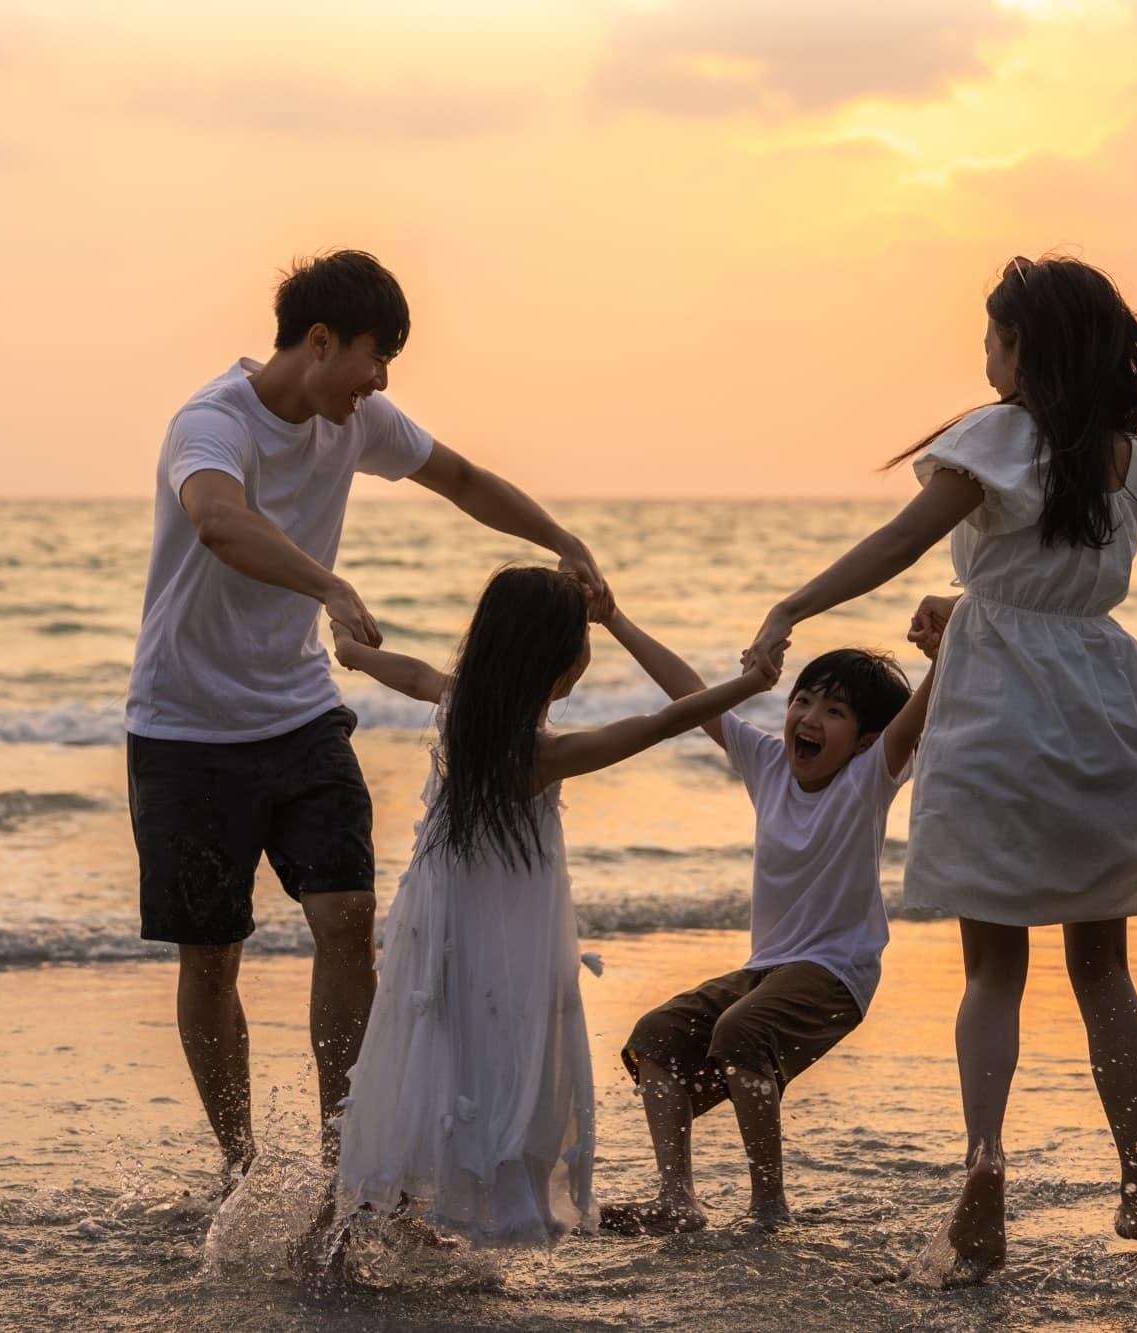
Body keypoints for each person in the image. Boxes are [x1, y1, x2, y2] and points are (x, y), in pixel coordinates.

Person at [743, 254, 1137, 1279]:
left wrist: (791, 606)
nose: (982, 353)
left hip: (997, 715)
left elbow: (900, 537)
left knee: (993, 967)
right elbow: (1048, 583)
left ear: (1026, 347)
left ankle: (983, 1166)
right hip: (1105, 707)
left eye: (992, 335)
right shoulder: (1121, 457)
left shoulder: (995, 438)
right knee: (1100, 963)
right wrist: (971, 609)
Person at [125, 250, 611, 1188]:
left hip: (303, 710)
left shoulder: (359, 423)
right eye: (373, 357)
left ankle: (345, 1163)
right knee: (212, 957)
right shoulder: (209, 424)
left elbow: (463, 478)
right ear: (318, 342)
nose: (381, 381)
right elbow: (219, 521)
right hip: (185, 726)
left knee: (347, 919)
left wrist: (560, 538)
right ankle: (240, 1168)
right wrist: (328, 583)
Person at [322, 567, 783, 1248]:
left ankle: (378, 1207)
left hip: (431, 933)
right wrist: (752, 684)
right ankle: (445, 1200)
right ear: (562, 660)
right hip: (495, 945)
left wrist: (353, 652)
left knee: (427, 1049)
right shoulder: (542, 753)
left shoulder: (460, 713)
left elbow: (412, 672)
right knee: (489, 1060)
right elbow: (663, 721)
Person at [599, 610, 935, 1235]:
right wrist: (613, 616)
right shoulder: (769, 764)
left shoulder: (869, 776)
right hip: (767, 968)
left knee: (740, 1031)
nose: (807, 719)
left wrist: (947, 650)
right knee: (657, 1034)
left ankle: (768, 1208)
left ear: (865, 739)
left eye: (834, 712)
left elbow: (914, 718)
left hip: (838, 971)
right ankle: (678, 1201)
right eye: (802, 700)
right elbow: (688, 692)